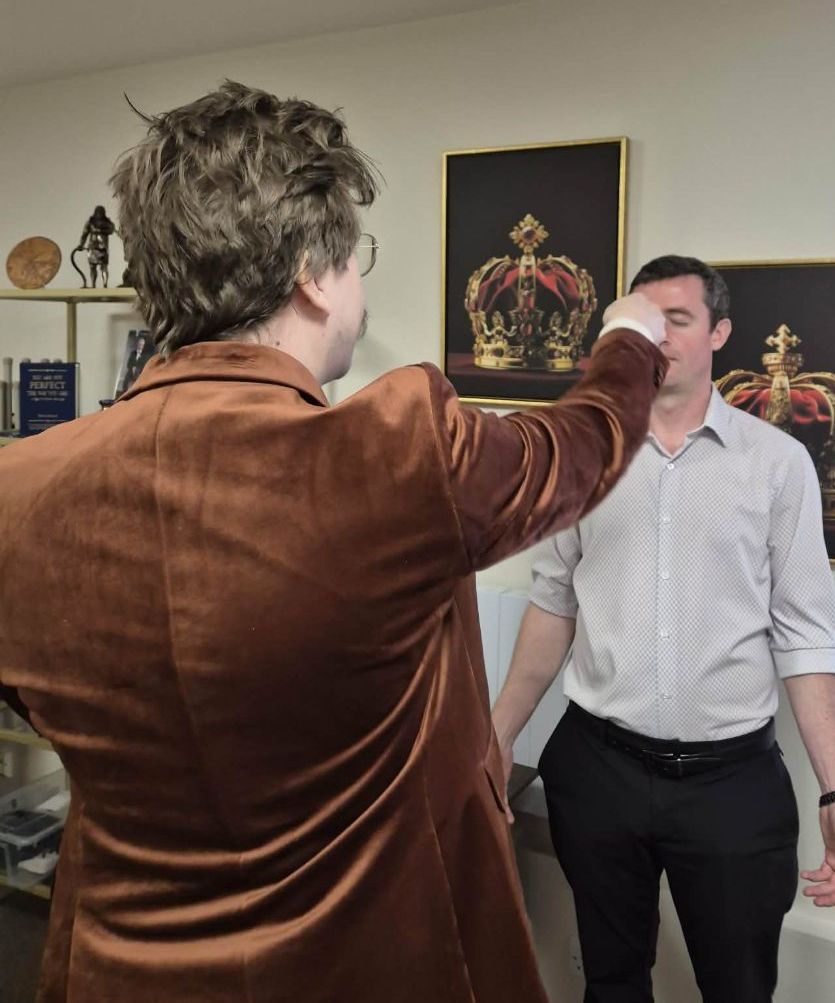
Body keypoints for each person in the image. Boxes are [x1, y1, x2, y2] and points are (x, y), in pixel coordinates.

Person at [0, 81, 671, 1003]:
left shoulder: (18, 491)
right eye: (356, 260)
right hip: (366, 967)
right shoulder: (392, 453)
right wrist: (629, 338)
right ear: (314, 274)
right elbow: (578, 447)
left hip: (121, 972)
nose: (359, 285)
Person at [492, 255, 835, 1003]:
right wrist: (497, 733)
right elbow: (553, 604)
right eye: (644, 320)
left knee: (739, 988)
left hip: (731, 786)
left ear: (719, 332)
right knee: (610, 981)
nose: (658, 337)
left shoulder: (777, 464)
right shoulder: (585, 457)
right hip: (598, 770)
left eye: (679, 319)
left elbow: (806, 638)